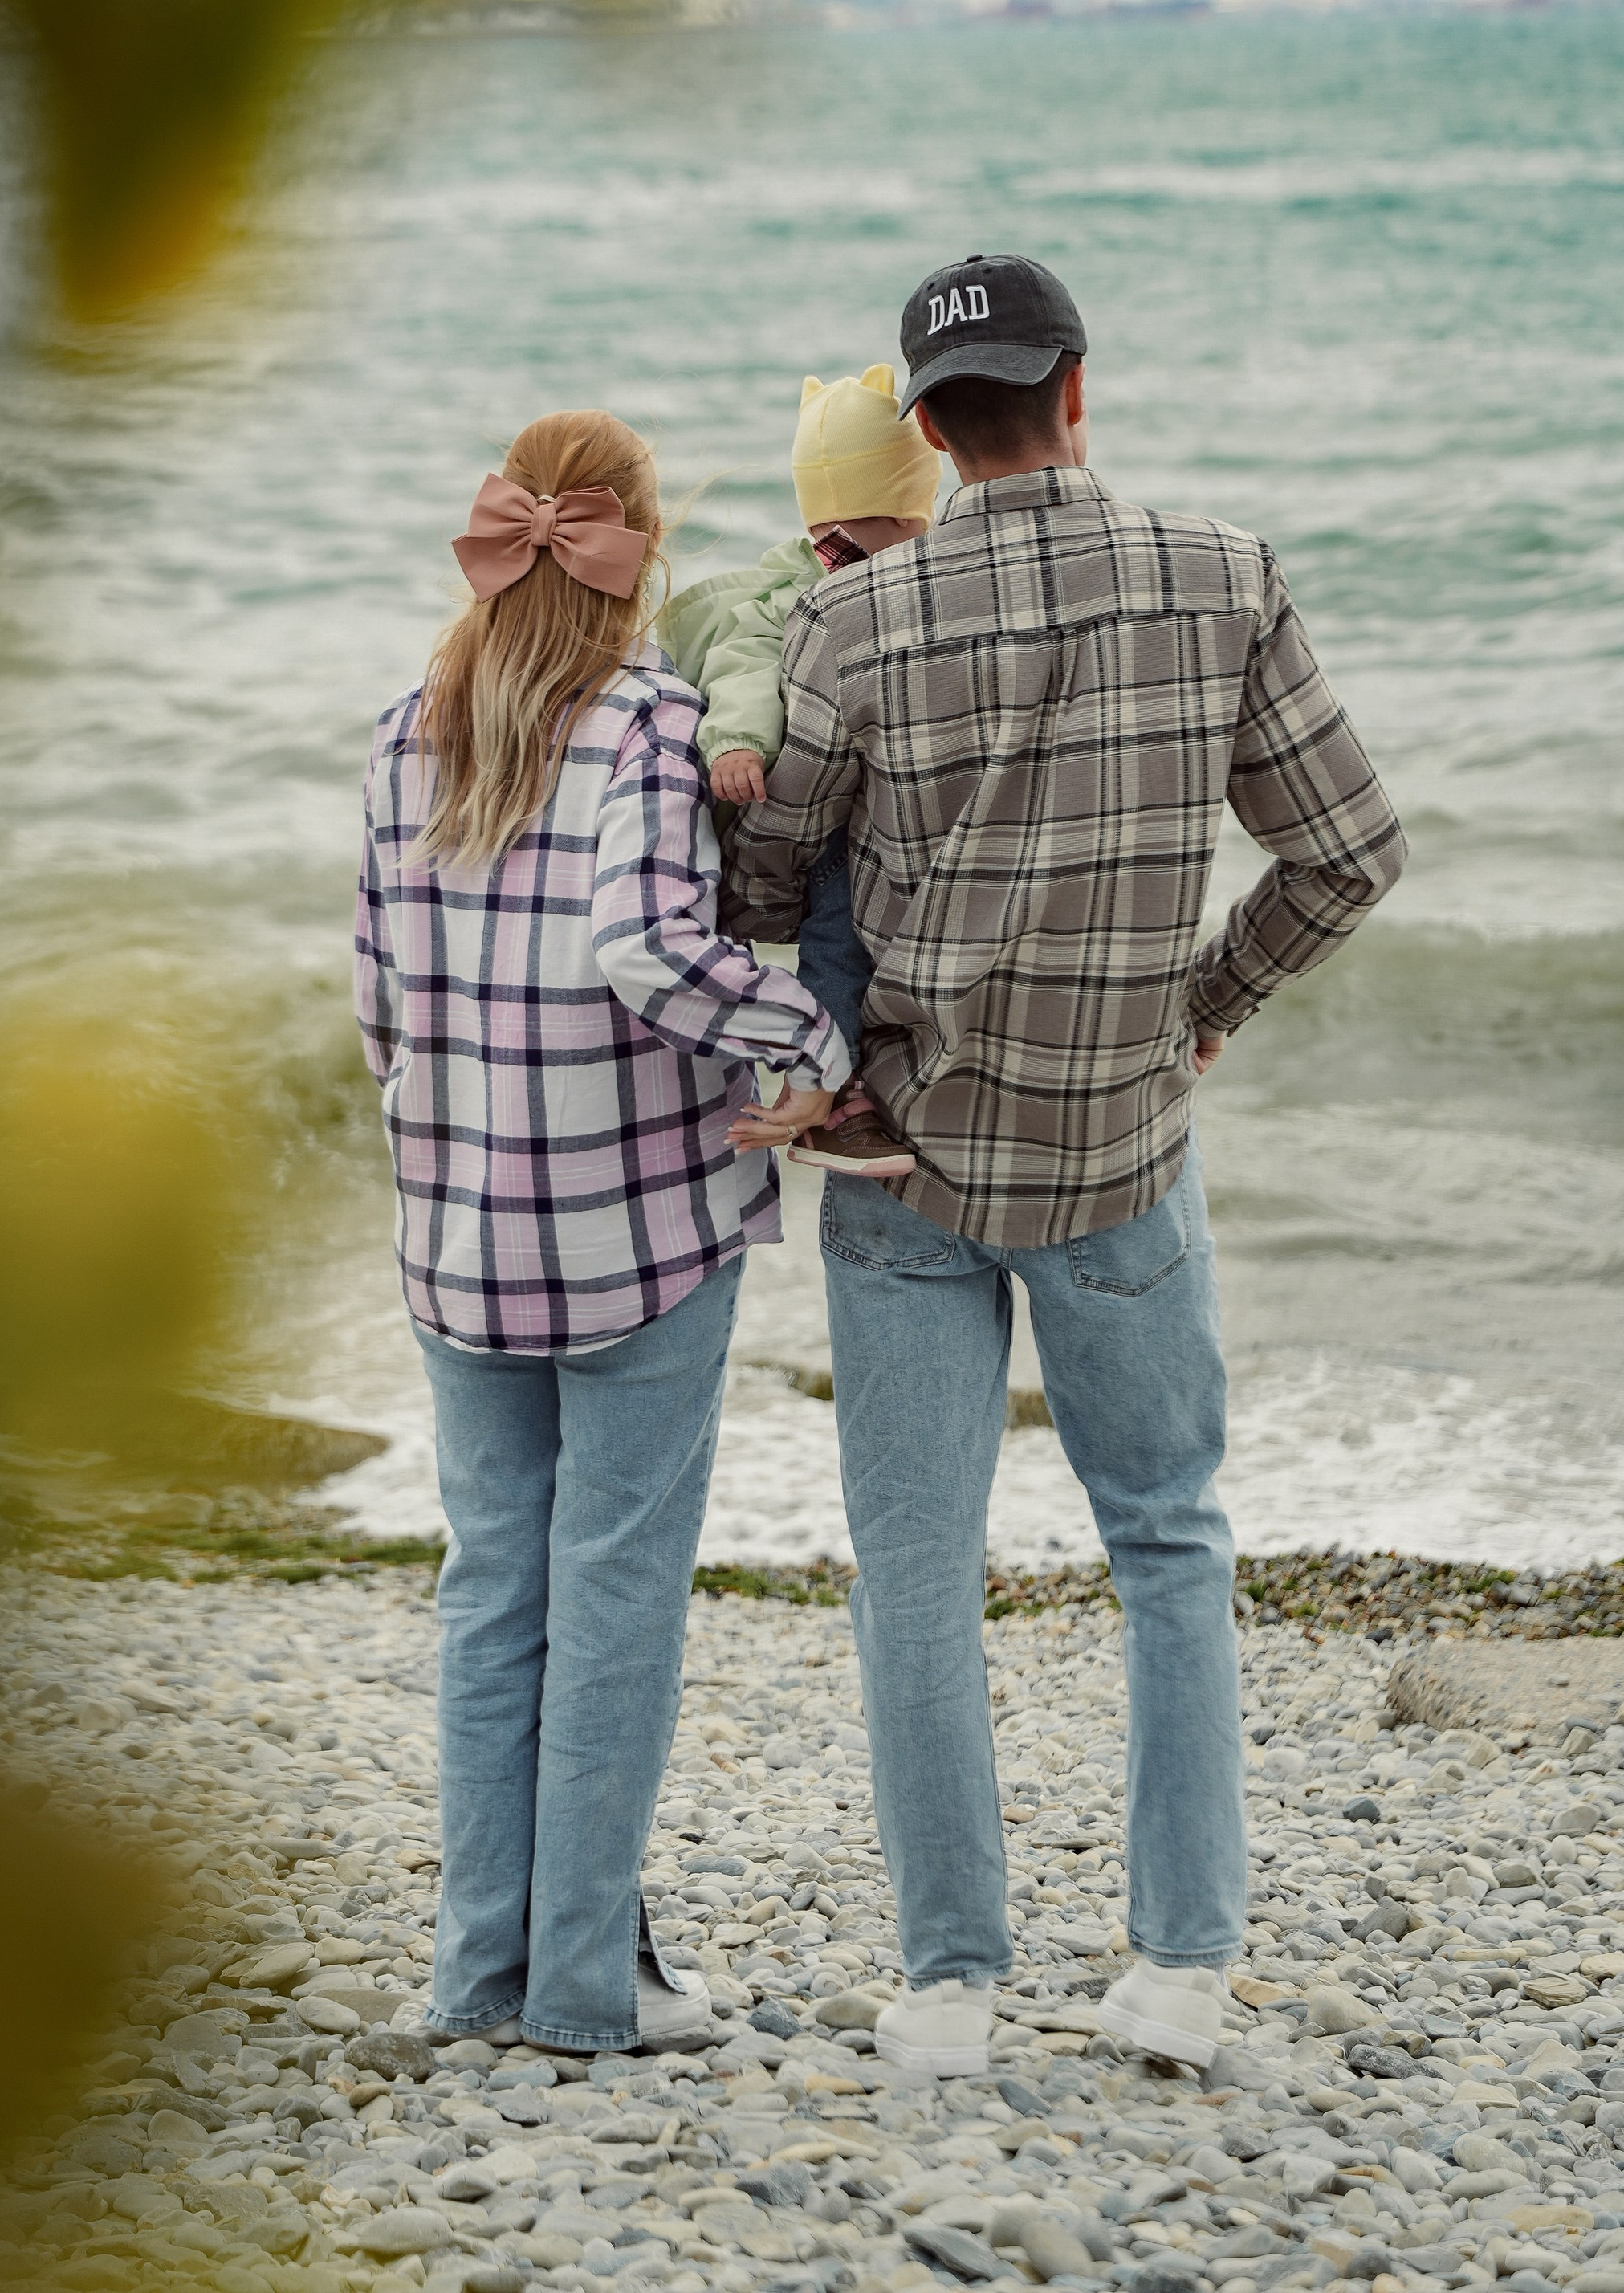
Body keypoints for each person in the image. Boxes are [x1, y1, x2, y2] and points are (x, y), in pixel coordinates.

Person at [723, 253, 1406, 2081]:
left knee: (915, 1570)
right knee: (1167, 1535)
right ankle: (1178, 1970)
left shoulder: (848, 624)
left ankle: (948, 1988)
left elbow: (762, 890)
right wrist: (1202, 1006)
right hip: (1120, 1146)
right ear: (1075, 390)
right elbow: (1347, 852)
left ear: (927, 430)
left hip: (905, 1160)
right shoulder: (1221, 572)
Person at [354, 409, 849, 2057]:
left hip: (457, 1236)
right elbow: (645, 950)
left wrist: (444, 1136)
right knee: (615, 1593)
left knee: (493, 1589)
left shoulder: (404, 729)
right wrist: (803, 1038)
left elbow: (378, 997)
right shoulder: (648, 719)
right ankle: (580, 1993)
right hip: (634, 1235)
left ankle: (470, 1979)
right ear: (635, 547)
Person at [664, 362, 939, 1178]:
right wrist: (737, 743)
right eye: (897, 525)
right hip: (827, 816)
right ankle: (827, 1091)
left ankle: (869, 1077)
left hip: (900, 799)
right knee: (837, 935)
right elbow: (743, 663)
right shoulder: (793, 587)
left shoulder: (921, 560)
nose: (909, 539)